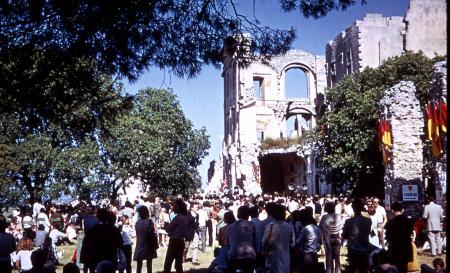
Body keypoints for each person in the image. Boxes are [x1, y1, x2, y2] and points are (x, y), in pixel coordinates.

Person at [262, 204, 295, 273]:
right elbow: (292, 244)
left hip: (272, 258)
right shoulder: (289, 227)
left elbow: (264, 242)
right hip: (285, 258)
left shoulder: (269, 227)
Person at [342, 198, 371, 273]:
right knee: (364, 270)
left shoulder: (349, 222)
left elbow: (344, 235)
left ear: (353, 208)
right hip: (364, 250)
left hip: (353, 250)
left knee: (354, 270)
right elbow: (370, 233)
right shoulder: (368, 221)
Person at [384, 202, 414, 273]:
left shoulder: (390, 223)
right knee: (404, 269)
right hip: (405, 249)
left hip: (395, 250)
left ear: (392, 211)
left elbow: (387, 237)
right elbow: (411, 234)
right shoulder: (409, 222)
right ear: (403, 210)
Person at [227, 205, 257, 273]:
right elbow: (254, 241)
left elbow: (228, 243)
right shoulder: (252, 225)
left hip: (233, 255)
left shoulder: (230, 227)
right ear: (248, 215)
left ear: (238, 214)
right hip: (249, 255)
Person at [162, 198, 189, 273]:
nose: (172, 207)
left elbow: (168, 229)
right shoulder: (185, 217)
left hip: (174, 241)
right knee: (178, 263)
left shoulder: (177, 218)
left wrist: (165, 225)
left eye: (174, 206)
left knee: (168, 263)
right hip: (181, 241)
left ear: (177, 207)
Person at [296, 206, 322, 273]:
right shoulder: (316, 228)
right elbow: (320, 240)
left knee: (306, 269)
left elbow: (299, 242)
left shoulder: (305, 229)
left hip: (306, 253)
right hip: (314, 253)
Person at [319, 201, 343, 273]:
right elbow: (341, 227)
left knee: (329, 260)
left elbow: (320, 228)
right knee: (337, 259)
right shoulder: (338, 216)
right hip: (337, 239)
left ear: (326, 208)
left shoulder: (324, 217)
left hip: (328, 239)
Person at [133, 205, 157, 273]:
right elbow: (152, 232)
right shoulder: (149, 222)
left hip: (140, 244)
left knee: (139, 265)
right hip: (148, 245)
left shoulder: (137, 223)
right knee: (149, 264)